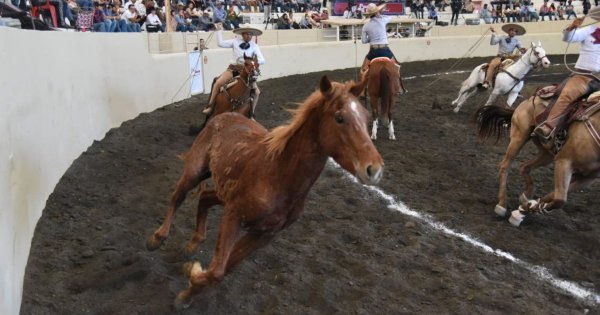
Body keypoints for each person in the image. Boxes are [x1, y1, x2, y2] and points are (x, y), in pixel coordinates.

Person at [533, 15, 600, 141]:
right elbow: (569, 38)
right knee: (567, 96)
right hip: (583, 76)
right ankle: (548, 126)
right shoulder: (589, 30)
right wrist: (572, 27)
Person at [201, 23, 265, 115]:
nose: (249, 36)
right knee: (218, 83)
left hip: (246, 73)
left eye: (250, 34)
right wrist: (219, 31)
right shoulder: (235, 41)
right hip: (233, 69)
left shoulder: (254, 46)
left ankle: (251, 114)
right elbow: (220, 43)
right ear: (242, 34)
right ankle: (210, 106)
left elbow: (262, 59)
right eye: (247, 34)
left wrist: (252, 63)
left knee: (257, 92)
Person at [360, 3, 406, 93]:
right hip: (385, 50)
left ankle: (362, 92)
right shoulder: (383, 20)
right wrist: (382, 12)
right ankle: (399, 89)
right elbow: (391, 17)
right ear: (377, 12)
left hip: (373, 51)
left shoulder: (365, 26)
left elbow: (364, 41)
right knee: (397, 66)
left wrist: (372, 38)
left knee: (363, 70)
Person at [482, 24, 527, 89]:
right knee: (492, 65)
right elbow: (492, 43)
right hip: (500, 57)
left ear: (516, 33)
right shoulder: (501, 37)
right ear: (508, 31)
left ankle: (516, 88)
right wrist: (494, 34)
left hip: (510, 58)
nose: (513, 32)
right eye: (511, 30)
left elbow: (521, 49)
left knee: (518, 69)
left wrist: (524, 49)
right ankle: (486, 82)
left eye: (515, 31)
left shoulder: (517, 41)